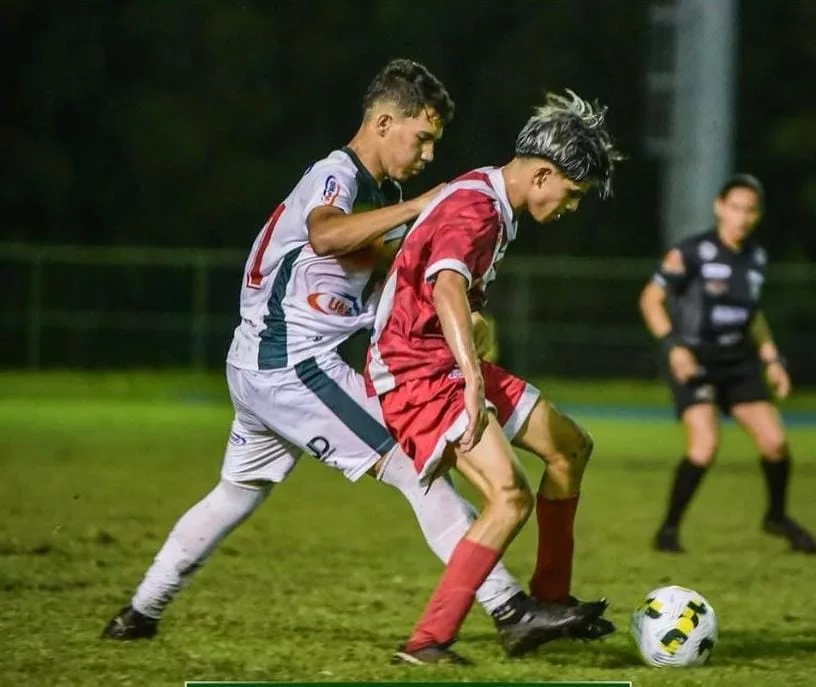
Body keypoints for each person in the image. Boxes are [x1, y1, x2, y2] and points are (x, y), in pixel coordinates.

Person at [101, 59, 594, 658]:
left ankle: (139, 613)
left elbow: (379, 263)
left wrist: (454, 298)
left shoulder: (379, 194)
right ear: (384, 122)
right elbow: (328, 237)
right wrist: (424, 206)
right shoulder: (340, 174)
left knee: (237, 492)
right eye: (423, 137)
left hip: (264, 363)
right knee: (420, 470)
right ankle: (510, 610)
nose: (429, 156)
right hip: (291, 364)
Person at [365, 89, 622, 665]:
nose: (570, 207)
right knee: (508, 496)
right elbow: (446, 286)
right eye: (571, 194)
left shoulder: (489, 196)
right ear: (542, 174)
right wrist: (473, 380)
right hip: (416, 372)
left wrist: (476, 347)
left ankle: (548, 605)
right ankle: (427, 642)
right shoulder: (476, 208)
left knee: (569, 447)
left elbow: (455, 294)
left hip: (445, 363)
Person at [639, 174, 816, 554]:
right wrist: (674, 348)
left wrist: (772, 359)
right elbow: (651, 299)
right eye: (735, 207)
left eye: (750, 210)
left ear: (758, 215)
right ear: (720, 207)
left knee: (775, 443)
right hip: (693, 359)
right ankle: (668, 530)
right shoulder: (691, 252)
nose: (742, 217)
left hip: (739, 360)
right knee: (705, 444)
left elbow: (753, 315)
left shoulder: (756, 258)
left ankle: (777, 516)